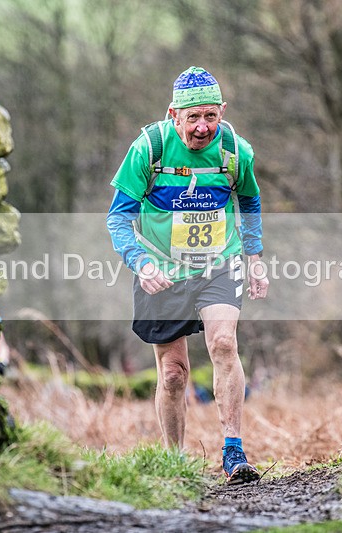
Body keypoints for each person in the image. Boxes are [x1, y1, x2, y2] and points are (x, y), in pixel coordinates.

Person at [106, 66, 268, 485]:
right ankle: (175, 462)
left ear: (223, 112)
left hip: (220, 260)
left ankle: (233, 451)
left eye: (211, 117)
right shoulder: (149, 149)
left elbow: (249, 202)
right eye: (193, 117)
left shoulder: (236, 151)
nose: (202, 128)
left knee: (223, 342)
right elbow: (118, 219)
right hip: (161, 266)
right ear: (173, 114)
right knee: (174, 373)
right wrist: (141, 263)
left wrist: (255, 256)